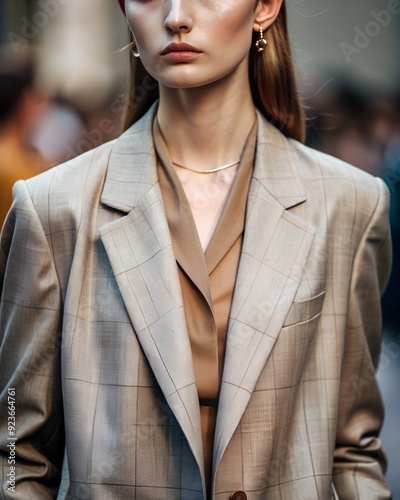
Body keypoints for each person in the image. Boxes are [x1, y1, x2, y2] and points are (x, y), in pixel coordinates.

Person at [0, 0, 392, 498]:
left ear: (265, 7)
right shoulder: (55, 208)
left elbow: (353, 448)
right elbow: (15, 445)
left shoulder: (348, 206)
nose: (176, 16)